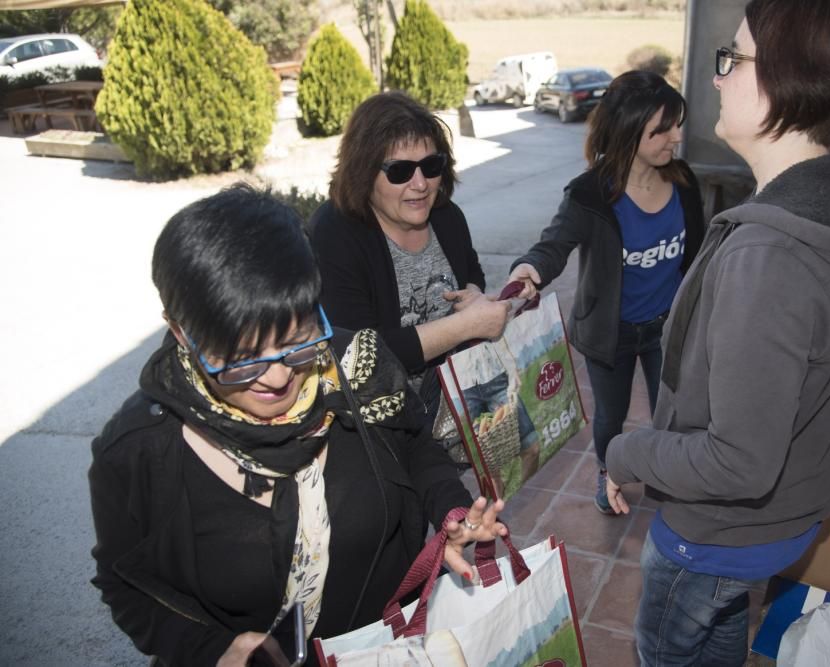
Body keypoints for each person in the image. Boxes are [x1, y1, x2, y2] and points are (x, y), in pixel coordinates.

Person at [603, 1, 830, 664]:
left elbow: (739, 461)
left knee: (669, 646)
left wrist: (628, 452)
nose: (717, 78)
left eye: (734, 59)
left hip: (720, 530)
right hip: (784, 519)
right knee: (720, 623)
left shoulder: (770, 257)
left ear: (787, 79)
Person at [89, 184, 506, 666]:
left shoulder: (358, 368)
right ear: (181, 330)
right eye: (241, 357)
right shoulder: (139, 452)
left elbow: (414, 445)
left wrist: (452, 512)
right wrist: (209, 649)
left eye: (297, 338)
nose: (278, 374)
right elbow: (124, 582)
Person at [507, 71, 705, 514]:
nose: (677, 136)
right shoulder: (591, 195)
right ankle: (607, 473)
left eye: (677, 124)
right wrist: (530, 269)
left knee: (671, 415)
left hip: (669, 329)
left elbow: (699, 255)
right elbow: (553, 244)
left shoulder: (685, 182)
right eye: (662, 129)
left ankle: (666, 479)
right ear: (630, 132)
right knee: (611, 420)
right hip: (609, 332)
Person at [308, 91, 510, 425]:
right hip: (381, 427)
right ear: (363, 172)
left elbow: (471, 269)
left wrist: (473, 293)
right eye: (400, 171)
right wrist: (466, 325)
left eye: (431, 166)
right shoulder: (334, 234)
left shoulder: (446, 216)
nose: (420, 184)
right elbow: (361, 356)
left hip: (454, 412)